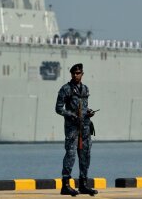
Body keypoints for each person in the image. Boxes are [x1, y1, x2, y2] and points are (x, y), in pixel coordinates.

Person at [55, 63, 98, 196]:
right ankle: (65, 185)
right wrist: (71, 115)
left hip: (85, 128)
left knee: (85, 155)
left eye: (78, 73)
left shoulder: (85, 89)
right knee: (71, 155)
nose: (75, 75)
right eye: (73, 73)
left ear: (82, 74)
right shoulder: (66, 89)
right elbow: (58, 108)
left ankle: (83, 184)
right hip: (72, 128)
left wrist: (89, 112)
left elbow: (84, 107)